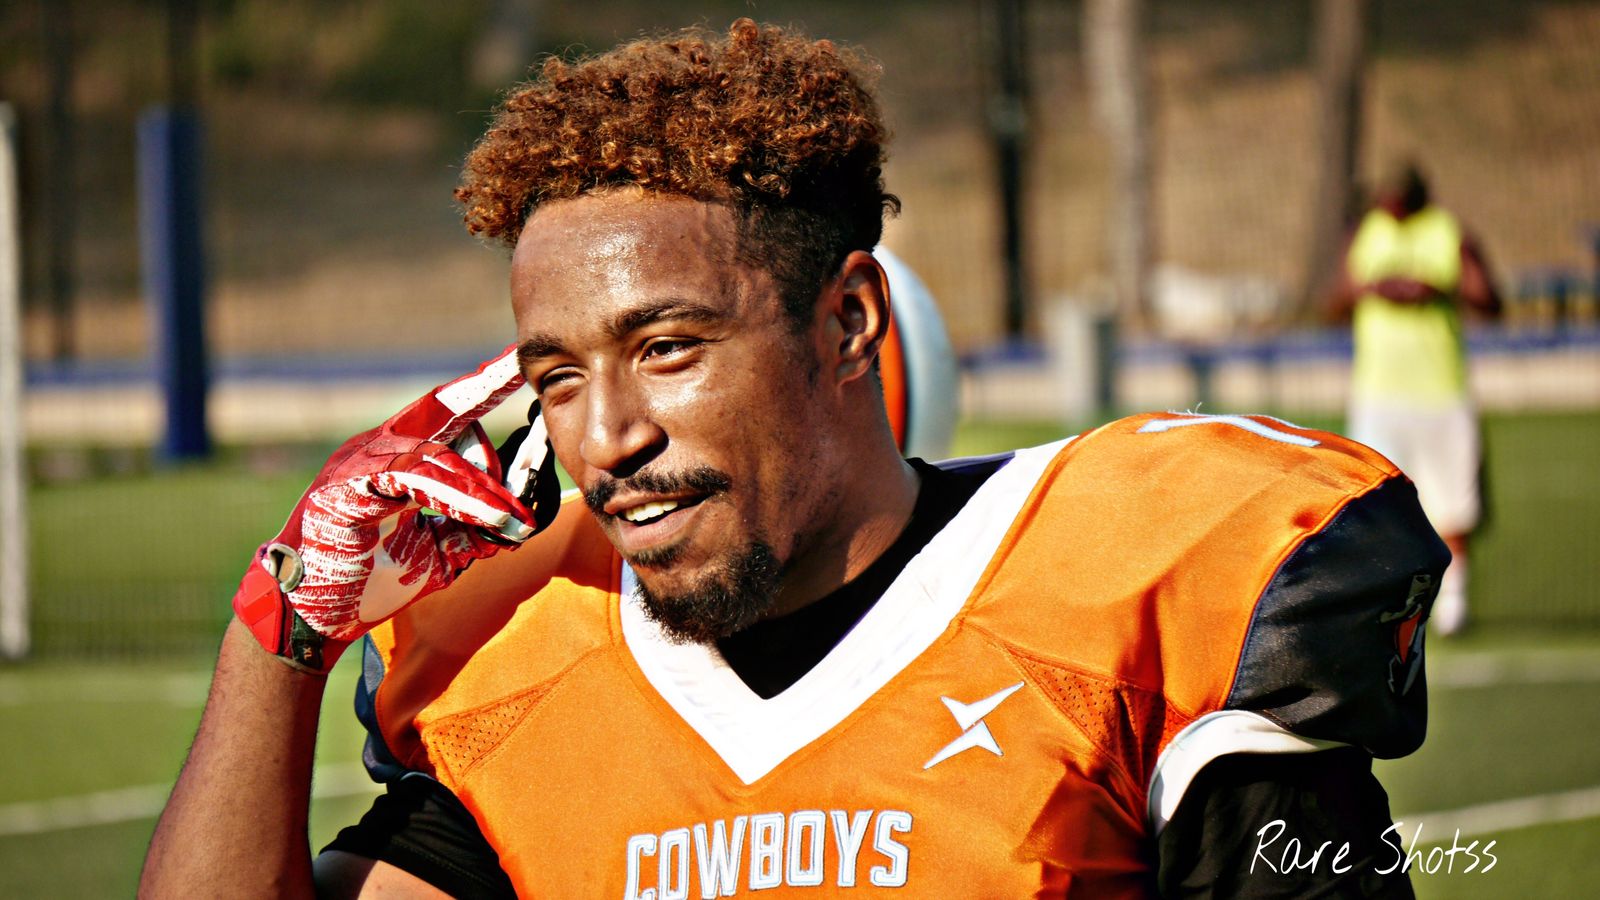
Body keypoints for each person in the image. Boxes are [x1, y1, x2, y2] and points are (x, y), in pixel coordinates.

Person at [142, 21, 1447, 898]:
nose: (607, 435)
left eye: (666, 348)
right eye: (556, 378)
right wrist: (279, 635)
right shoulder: (527, 679)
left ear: (850, 322)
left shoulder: (1125, 600)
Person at [1327, 162, 1504, 636]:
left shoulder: (1448, 232)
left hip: (1440, 392)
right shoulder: (1366, 234)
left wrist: (1437, 288)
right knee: (1375, 501)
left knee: (1453, 501)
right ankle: (1385, 597)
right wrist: (1375, 287)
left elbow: (1488, 299)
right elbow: (1335, 301)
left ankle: (1454, 604)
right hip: (1379, 393)